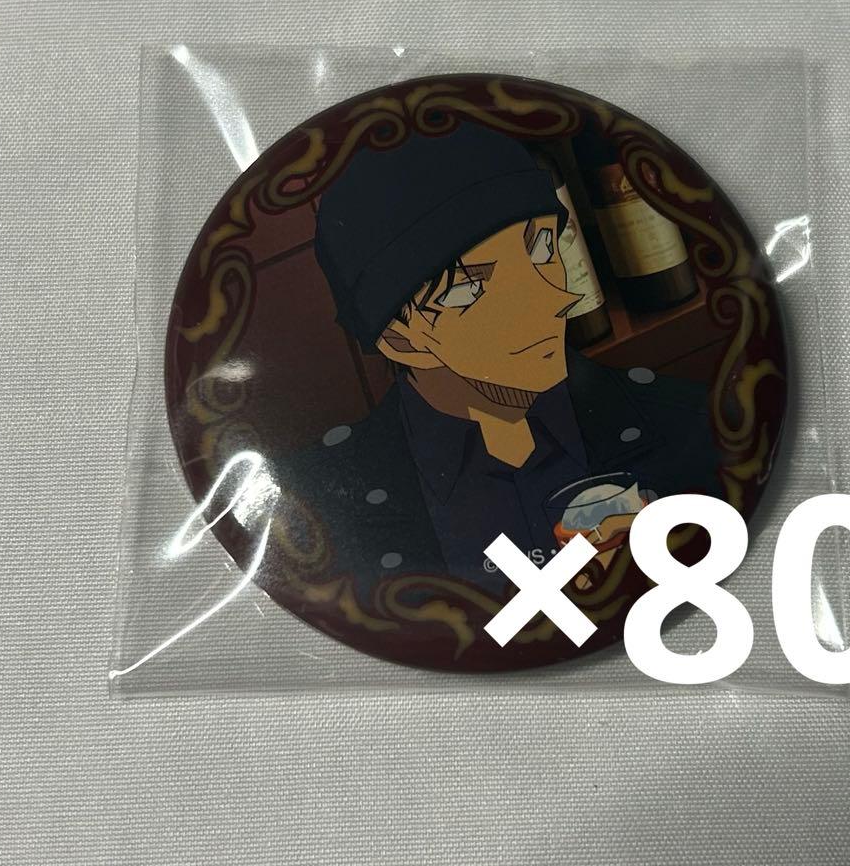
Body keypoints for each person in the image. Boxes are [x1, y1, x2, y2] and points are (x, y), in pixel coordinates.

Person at [277, 122, 723, 593]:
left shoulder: (690, 422)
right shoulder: (318, 515)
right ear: (401, 339)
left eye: (543, 248)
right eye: (471, 288)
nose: (554, 298)